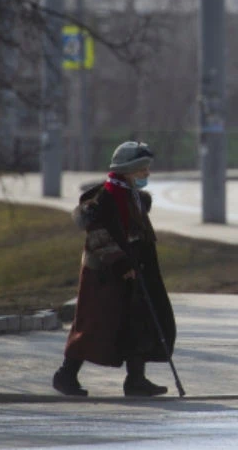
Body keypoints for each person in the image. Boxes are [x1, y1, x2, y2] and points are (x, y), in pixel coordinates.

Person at [52, 141, 177, 397]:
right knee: (94, 326)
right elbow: (98, 237)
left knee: (138, 324)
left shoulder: (133, 196)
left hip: (135, 272)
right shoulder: (105, 199)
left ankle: (136, 380)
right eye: (143, 169)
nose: (147, 174)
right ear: (128, 170)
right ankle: (65, 375)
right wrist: (121, 264)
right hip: (104, 277)